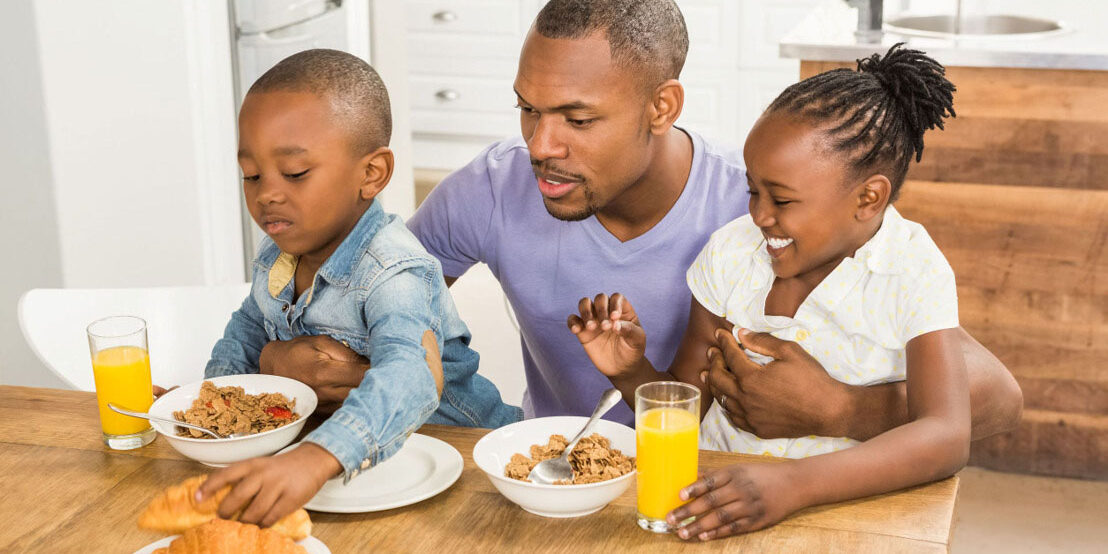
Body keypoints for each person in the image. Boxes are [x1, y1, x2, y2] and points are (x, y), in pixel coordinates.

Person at [260, 0, 1021, 446]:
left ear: (662, 108)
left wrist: (843, 408)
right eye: (528, 107)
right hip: (556, 469)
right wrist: (326, 366)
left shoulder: (763, 210)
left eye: (577, 118)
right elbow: (358, 294)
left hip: (716, 479)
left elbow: (994, 394)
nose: (539, 144)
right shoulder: (492, 188)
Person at [570, 43, 972, 540]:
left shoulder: (911, 272)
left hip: (844, 514)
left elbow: (947, 435)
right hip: (716, 501)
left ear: (869, 198)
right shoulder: (732, 253)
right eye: (753, 190)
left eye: (781, 199)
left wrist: (794, 485)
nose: (759, 215)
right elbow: (689, 405)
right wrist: (632, 371)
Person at [194, 49, 521, 527]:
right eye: (252, 174)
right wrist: (212, 404)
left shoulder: (392, 270)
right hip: (363, 478)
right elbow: (248, 327)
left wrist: (315, 457)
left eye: (296, 173)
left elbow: (408, 375)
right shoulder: (279, 254)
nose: (267, 193)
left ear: (372, 174)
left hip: (467, 464)